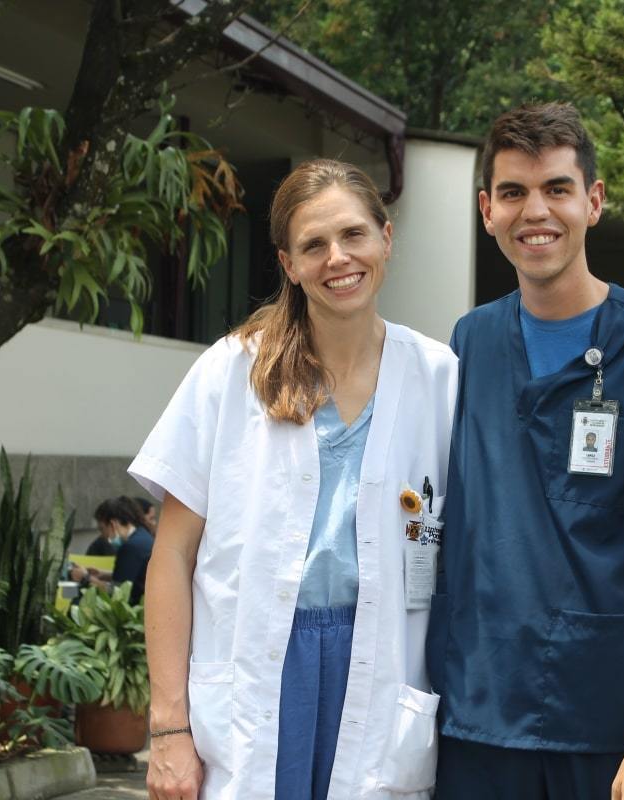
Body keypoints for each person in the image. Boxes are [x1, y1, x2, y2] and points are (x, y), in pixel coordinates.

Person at [427, 103, 624, 800]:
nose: (536, 211)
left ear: (593, 202)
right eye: (513, 192)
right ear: (487, 210)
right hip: (478, 724)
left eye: (557, 188)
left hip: (613, 729)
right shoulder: (468, 343)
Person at [130, 159, 457, 800]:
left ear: (386, 239)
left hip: (379, 660)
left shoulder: (439, 377)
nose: (338, 258)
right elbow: (170, 557)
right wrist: (168, 728)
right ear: (287, 263)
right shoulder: (230, 372)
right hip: (260, 668)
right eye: (314, 244)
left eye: (354, 235)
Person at [70, 496, 153, 604]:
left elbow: (117, 592)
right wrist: (104, 575)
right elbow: (134, 577)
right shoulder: (143, 536)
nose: (102, 535)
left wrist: (86, 578)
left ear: (113, 524)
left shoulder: (130, 547)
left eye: (102, 529)